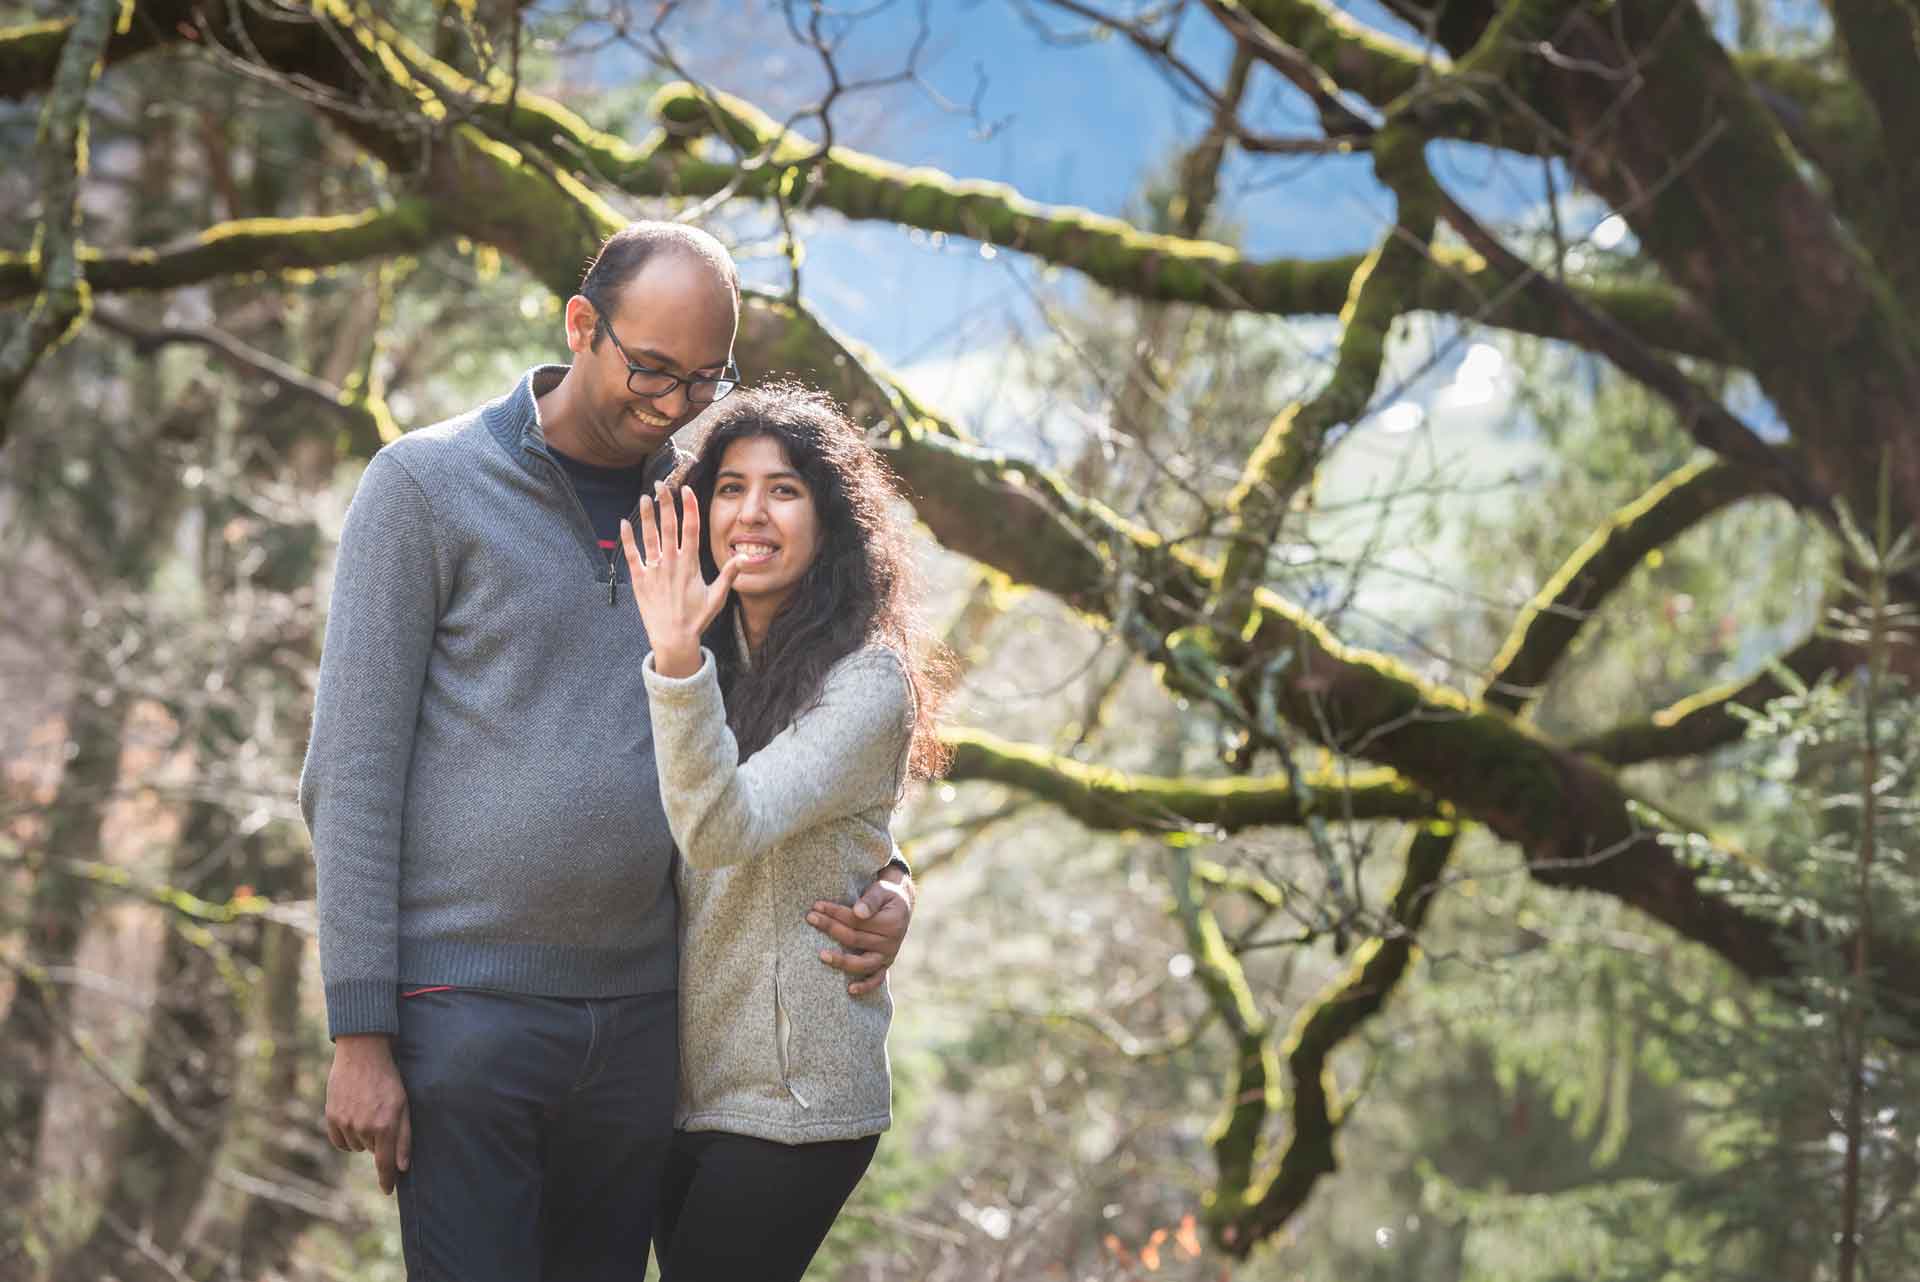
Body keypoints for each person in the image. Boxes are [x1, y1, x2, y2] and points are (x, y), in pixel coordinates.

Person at [300, 222, 915, 1281]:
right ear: (583, 325)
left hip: (643, 1034)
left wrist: (891, 879)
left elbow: (800, 735)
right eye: (653, 370)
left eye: (704, 382)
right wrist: (360, 1029)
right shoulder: (425, 487)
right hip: (466, 1015)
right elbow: (349, 773)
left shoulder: (704, 510)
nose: (675, 408)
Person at [619, 382, 947, 1281]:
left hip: (794, 1102)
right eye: (730, 487)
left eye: (784, 489)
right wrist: (894, 873)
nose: (751, 512)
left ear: (830, 518)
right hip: (683, 1091)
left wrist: (676, 661)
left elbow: (724, 826)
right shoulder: (708, 652)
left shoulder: (867, 681)